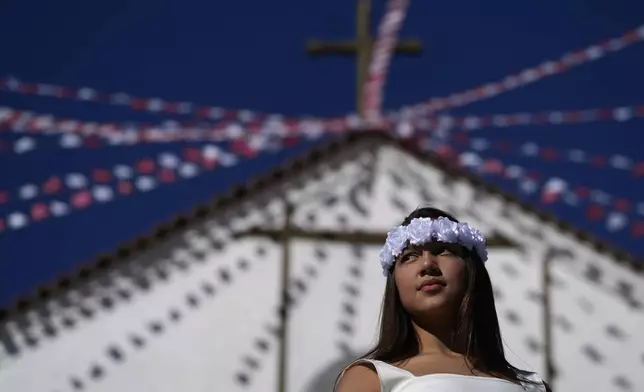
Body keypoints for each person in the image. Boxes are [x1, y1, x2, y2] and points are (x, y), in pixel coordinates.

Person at [334, 207, 551, 392]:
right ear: (395, 284)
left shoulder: (531, 386)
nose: (427, 265)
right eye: (409, 256)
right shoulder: (370, 379)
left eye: (443, 250)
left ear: (471, 270)